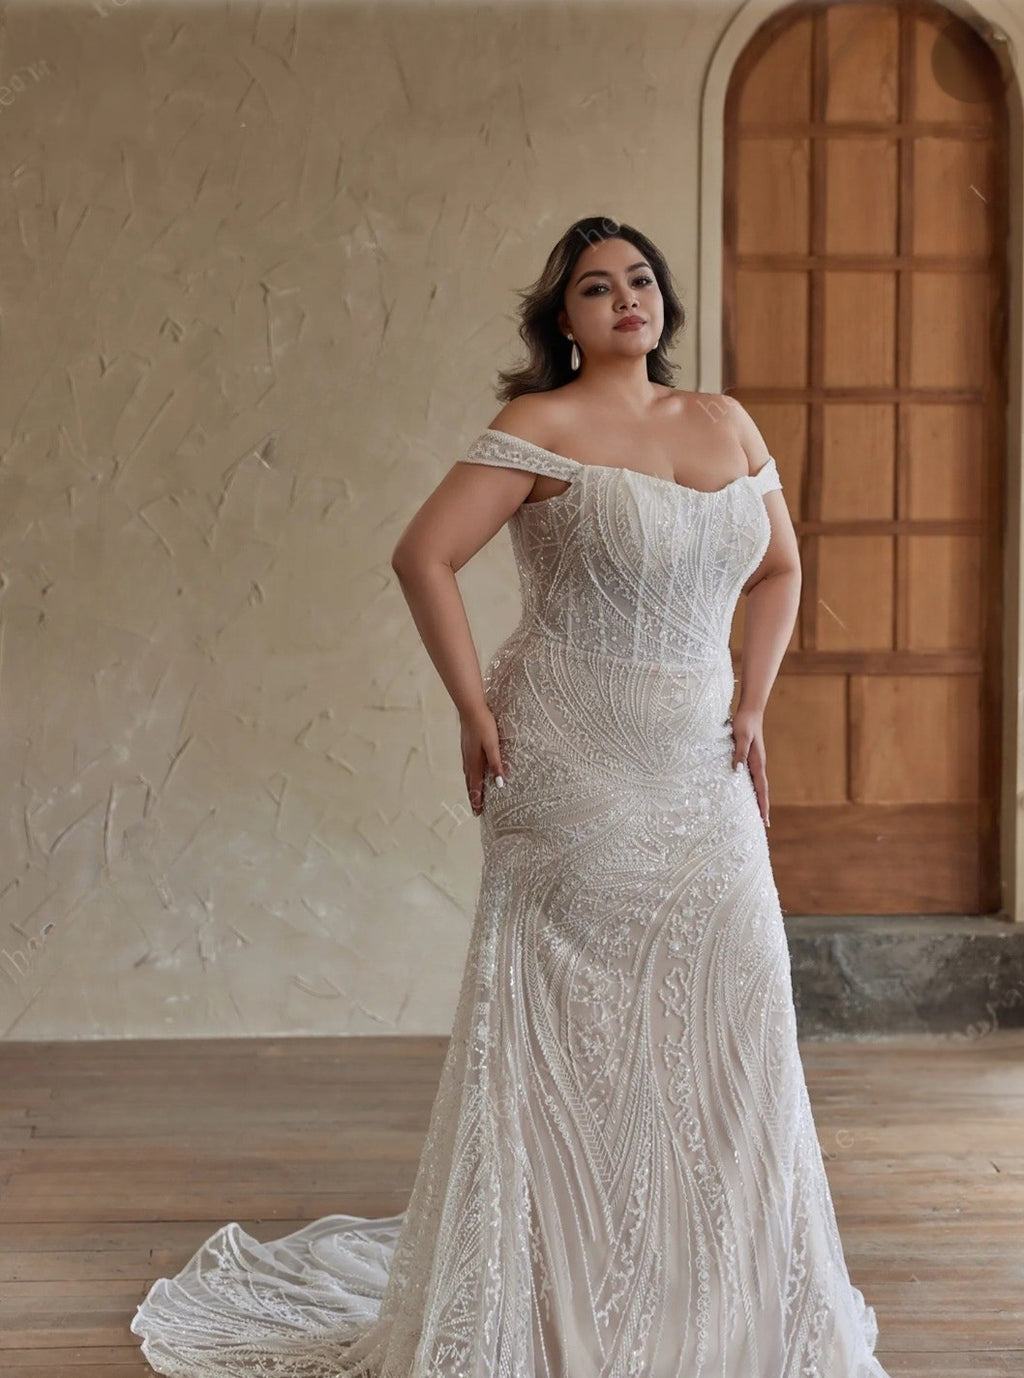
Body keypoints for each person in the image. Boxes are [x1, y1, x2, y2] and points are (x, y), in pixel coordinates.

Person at [130, 216, 892, 1377]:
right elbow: (421, 553)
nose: (626, 298)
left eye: (640, 280)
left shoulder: (726, 423)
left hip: (698, 759)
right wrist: (472, 709)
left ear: (662, 304)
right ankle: (549, 1306)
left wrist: (751, 703)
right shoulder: (538, 428)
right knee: (570, 1036)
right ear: (563, 322)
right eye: (596, 287)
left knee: (732, 1013)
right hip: (572, 759)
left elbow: (780, 567)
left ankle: (711, 1307)